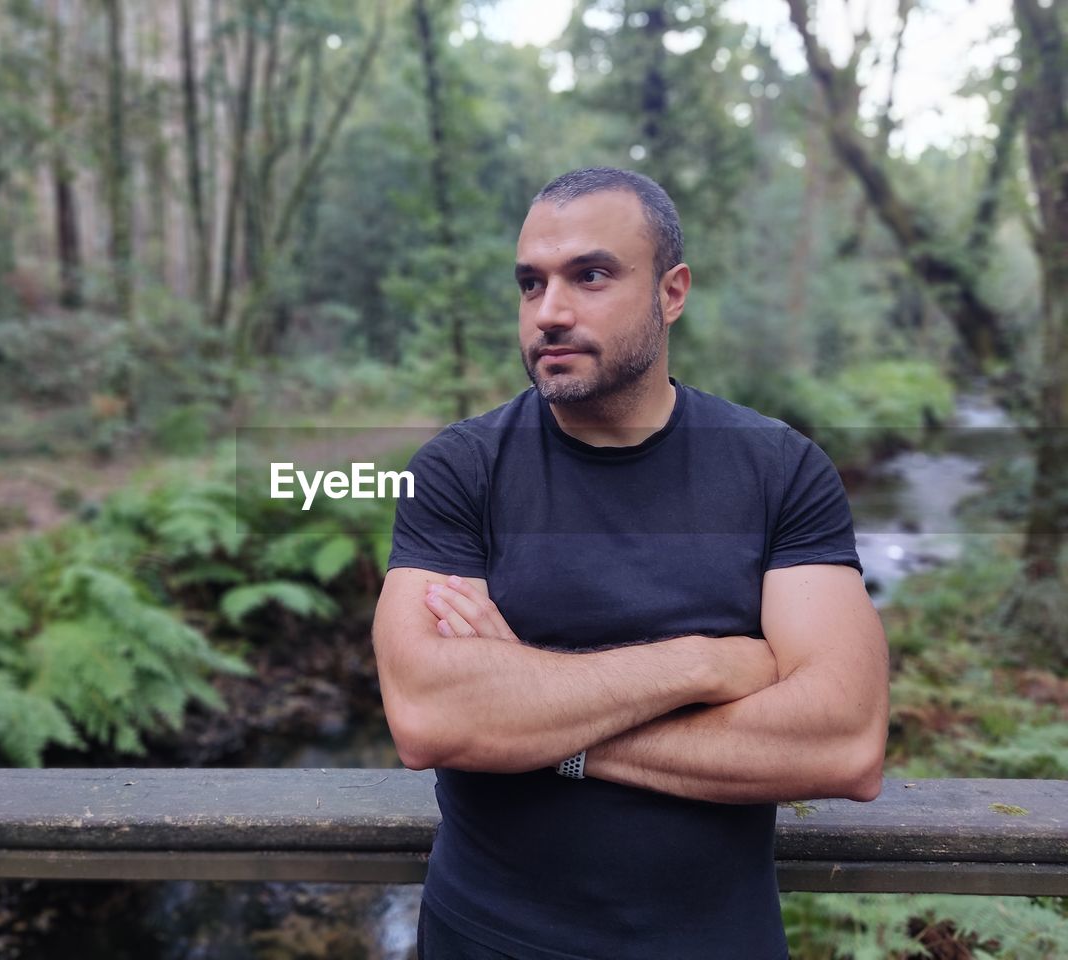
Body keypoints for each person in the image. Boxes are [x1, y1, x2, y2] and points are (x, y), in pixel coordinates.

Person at [370, 167, 890, 960]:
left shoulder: (778, 469)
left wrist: (537, 720)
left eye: (592, 275)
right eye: (530, 283)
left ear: (671, 292)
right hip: (488, 941)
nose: (550, 312)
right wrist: (706, 666)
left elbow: (843, 743)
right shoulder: (457, 470)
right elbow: (430, 718)